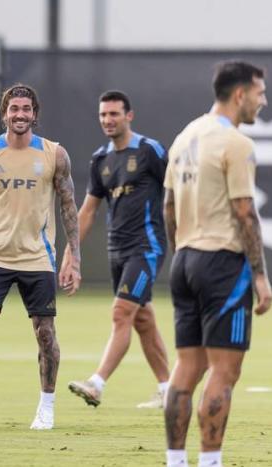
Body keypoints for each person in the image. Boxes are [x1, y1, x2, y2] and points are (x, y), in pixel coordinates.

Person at [161, 60, 272, 467]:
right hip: (223, 265)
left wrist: (180, 255)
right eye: (260, 93)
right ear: (240, 93)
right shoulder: (236, 143)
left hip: (185, 260)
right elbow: (245, 212)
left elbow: (169, 206)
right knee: (224, 372)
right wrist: (260, 275)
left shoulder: (185, 136)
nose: (263, 101)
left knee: (186, 368)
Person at [0, 83, 81, 430]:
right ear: (4, 114)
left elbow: (69, 206)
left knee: (45, 333)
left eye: (26, 109)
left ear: (35, 114)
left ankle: (46, 406)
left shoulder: (54, 154)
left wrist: (73, 253)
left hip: (37, 259)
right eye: (14, 109)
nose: (20, 115)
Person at [65, 90, 171, 409]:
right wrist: (71, 253)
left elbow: (178, 190)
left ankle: (97, 383)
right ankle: (170, 390)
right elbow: (88, 210)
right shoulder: (101, 159)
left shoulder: (150, 151)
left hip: (147, 247)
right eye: (103, 115)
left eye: (114, 114)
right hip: (117, 250)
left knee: (121, 312)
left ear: (129, 116)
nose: (108, 120)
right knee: (142, 319)